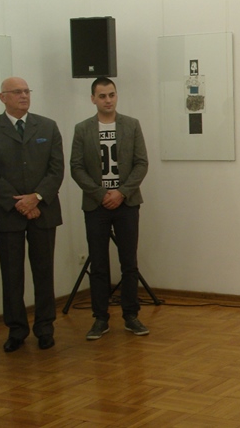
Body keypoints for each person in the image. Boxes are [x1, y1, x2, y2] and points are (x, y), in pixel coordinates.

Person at [0, 77, 64, 352]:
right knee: (12, 275)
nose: (24, 96)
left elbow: (56, 170)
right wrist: (19, 203)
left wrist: (35, 198)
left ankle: (45, 328)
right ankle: (16, 330)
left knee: (44, 272)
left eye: (27, 91)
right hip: (7, 213)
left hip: (43, 210)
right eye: (17, 92)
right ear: (2, 97)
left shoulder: (48, 126)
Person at [70, 77, 150, 340]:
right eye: (102, 96)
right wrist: (101, 193)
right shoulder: (82, 129)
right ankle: (100, 318)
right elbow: (76, 167)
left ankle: (131, 316)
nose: (108, 100)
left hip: (127, 204)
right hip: (96, 205)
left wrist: (121, 192)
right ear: (93, 99)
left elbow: (141, 163)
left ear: (117, 96)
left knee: (129, 262)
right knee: (99, 263)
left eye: (111, 95)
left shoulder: (131, 125)